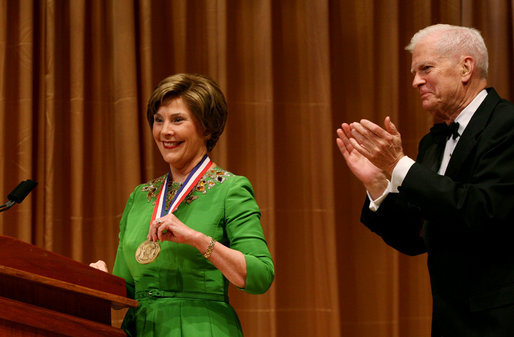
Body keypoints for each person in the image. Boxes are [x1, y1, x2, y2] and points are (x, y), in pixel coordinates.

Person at [336, 24, 514, 337]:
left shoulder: (507, 124)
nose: (416, 81)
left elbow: (483, 210)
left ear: (465, 67)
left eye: (425, 68)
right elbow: (415, 238)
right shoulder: (433, 142)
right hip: (449, 322)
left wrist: (399, 165)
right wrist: (378, 182)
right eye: (414, 71)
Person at [91, 73, 274, 336]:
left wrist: (197, 239)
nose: (165, 131)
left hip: (200, 328)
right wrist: (100, 282)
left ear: (207, 127)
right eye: (158, 120)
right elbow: (127, 290)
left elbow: (260, 276)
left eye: (178, 120)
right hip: (139, 329)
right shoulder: (140, 196)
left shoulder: (230, 189)